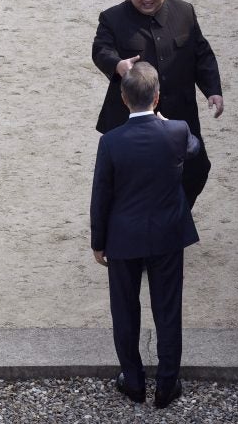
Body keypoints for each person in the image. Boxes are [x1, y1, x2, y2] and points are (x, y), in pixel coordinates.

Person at [90, 62, 200, 408]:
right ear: (157, 96)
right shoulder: (177, 131)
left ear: (123, 99)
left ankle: (134, 382)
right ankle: (167, 384)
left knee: (125, 311)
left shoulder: (111, 142)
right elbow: (195, 150)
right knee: (167, 310)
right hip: (167, 235)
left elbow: (101, 195)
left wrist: (98, 241)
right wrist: (169, 123)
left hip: (123, 237)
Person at [92, 0, 223, 208]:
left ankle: (174, 216)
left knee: (196, 171)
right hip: (131, 119)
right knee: (131, 181)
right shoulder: (112, 18)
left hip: (179, 115)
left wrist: (212, 91)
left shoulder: (185, 12)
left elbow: (201, 54)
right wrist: (117, 65)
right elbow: (101, 50)